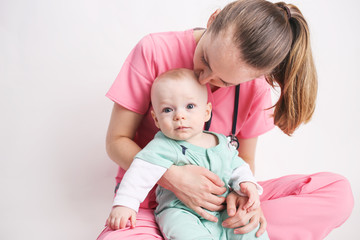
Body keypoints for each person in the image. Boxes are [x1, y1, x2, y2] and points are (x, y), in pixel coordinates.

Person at [98, 0, 354, 239]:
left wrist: (244, 198)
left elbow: (244, 160)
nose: (204, 80)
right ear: (213, 19)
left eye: (224, 81)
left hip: (220, 210)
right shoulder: (154, 50)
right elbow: (116, 141)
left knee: (337, 193)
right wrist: (174, 178)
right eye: (205, 60)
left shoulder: (256, 89)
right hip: (149, 203)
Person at [106, 69, 269, 240]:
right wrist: (125, 204)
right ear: (156, 119)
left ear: (206, 112)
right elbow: (139, 173)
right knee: (184, 231)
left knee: (251, 228)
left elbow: (238, 166)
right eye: (168, 110)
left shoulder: (221, 143)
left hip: (221, 210)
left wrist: (247, 184)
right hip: (179, 210)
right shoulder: (162, 146)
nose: (179, 116)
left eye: (190, 107)